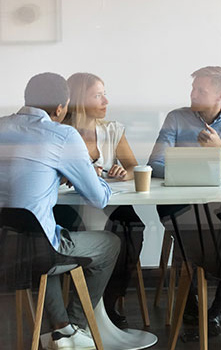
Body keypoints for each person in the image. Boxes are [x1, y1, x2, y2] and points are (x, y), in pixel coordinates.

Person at [0, 72, 119, 350]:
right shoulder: (63, 134)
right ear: (60, 108)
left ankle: (61, 329)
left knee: (42, 239)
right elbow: (98, 198)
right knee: (109, 244)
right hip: (38, 250)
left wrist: (54, 175)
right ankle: (75, 326)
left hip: (4, 245)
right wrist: (88, 172)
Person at [148, 66, 221, 335]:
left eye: (200, 90)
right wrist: (192, 166)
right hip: (181, 202)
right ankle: (190, 302)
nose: (193, 94)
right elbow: (155, 163)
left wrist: (220, 149)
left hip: (220, 204)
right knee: (193, 228)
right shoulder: (176, 118)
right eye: (193, 88)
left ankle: (218, 309)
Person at [63, 72, 141, 328]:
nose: (106, 100)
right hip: (71, 207)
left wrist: (121, 172)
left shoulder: (112, 130)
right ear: (78, 99)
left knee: (133, 230)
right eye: (98, 95)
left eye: (104, 94)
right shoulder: (60, 133)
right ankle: (84, 309)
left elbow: (133, 167)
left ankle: (107, 304)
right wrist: (78, 176)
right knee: (98, 236)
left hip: (110, 202)